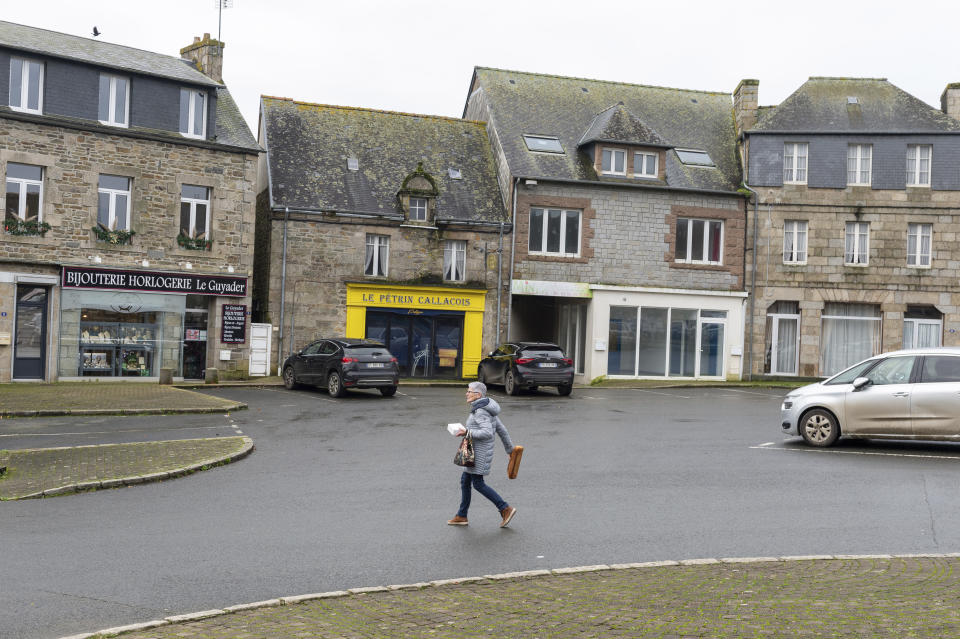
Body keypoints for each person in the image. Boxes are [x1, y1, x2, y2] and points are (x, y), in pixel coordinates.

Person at [448, 381, 517, 527]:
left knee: (478, 484)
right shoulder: (485, 407)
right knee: (465, 481)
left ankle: (505, 508)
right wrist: (510, 450)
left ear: (478, 394)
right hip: (473, 452)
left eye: (469, 391)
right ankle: (462, 515)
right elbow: (502, 430)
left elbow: (487, 433)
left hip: (478, 454)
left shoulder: (480, 411)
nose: (466, 393)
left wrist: (467, 432)